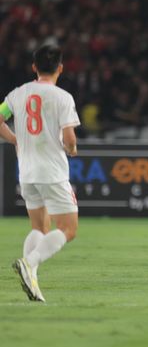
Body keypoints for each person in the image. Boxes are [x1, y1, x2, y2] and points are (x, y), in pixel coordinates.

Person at [0, 45, 80, 302]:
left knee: (39, 227)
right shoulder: (63, 97)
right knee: (68, 229)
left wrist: (15, 140)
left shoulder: (17, 94)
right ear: (60, 68)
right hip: (53, 172)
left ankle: (32, 280)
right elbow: (69, 138)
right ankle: (29, 262)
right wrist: (72, 148)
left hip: (27, 171)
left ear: (34, 67)